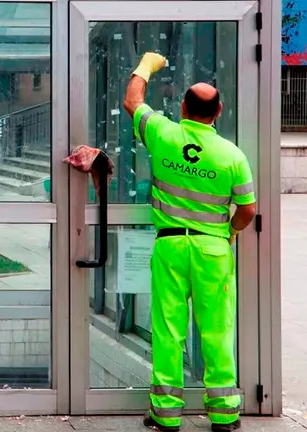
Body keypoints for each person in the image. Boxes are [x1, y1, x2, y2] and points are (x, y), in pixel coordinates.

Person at [122, 53, 256, 432]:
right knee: (216, 330)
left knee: (168, 330)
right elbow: (247, 209)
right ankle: (224, 414)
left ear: (182, 107)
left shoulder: (163, 134)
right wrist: (230, 231)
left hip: (170, 247)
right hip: (213, 250)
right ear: (219, 112)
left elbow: (132, 101)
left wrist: (147, 65)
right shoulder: (232, 155)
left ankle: (165, 414)